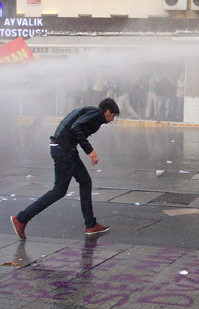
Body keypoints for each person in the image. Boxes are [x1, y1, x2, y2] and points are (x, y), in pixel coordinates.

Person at [10, 98, 120, 239]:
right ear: (108, 112)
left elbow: (73, 127)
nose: (112, 120)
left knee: (84, 182)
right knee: (60, 190)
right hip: (64, 150)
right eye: (113, 116)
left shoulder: (89, 111)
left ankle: (91, 225)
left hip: (63, 148)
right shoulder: (97, 115)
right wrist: (90, 151)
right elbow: (76, 128)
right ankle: (21, 219)